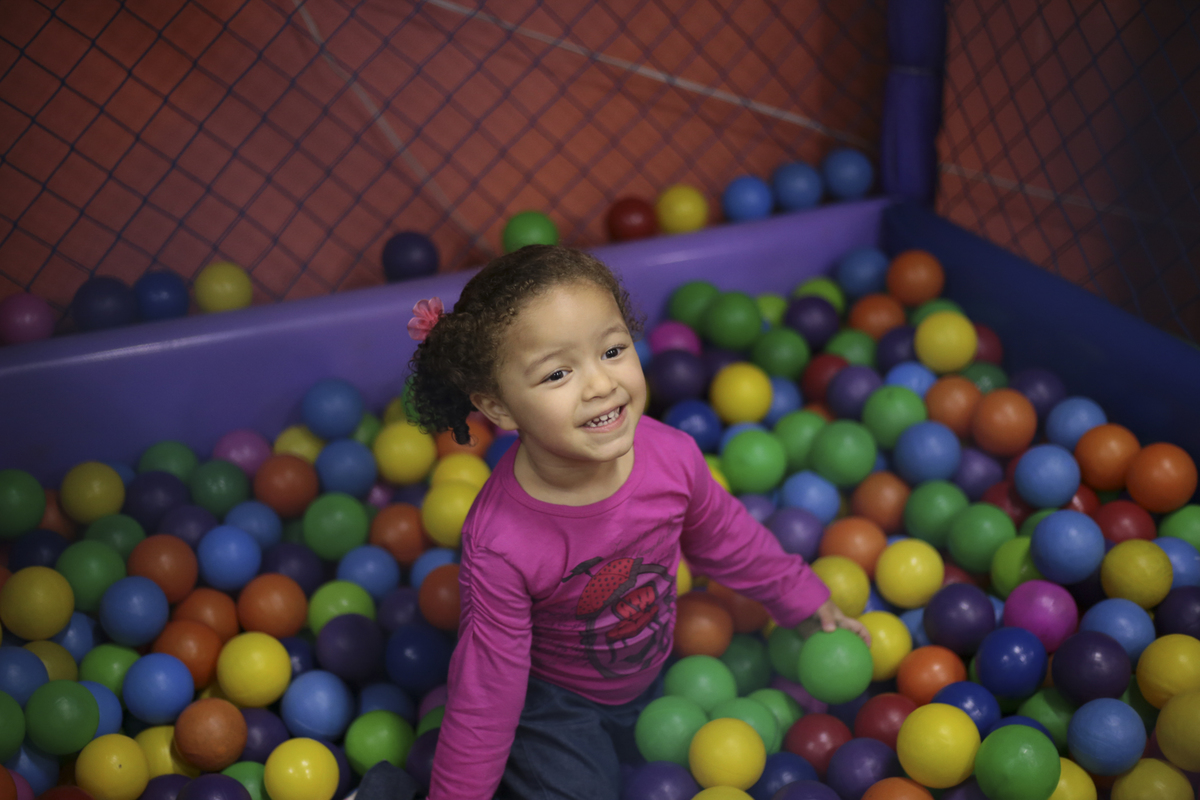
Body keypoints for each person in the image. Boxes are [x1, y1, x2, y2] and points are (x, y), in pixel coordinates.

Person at [406, 245, 868, 800]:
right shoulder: (500, 541)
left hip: (653, 670)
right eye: (557, 373)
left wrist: (802, 598)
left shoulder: (672, 457)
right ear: (499, 408)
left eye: (613, 349)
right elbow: (488, 684)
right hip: (556, 702)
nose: (601, 384)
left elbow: (727, 538)